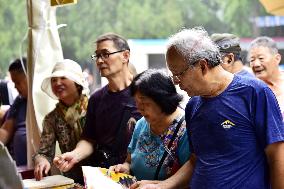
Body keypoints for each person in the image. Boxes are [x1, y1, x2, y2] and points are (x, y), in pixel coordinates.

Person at [141, 27, 284, 189]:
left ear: (202, 66)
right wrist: (162, 186)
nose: (175, 81)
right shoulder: (193, 106)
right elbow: (196, 160)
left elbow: (277, 153)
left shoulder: (254, 92)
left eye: (178, 74)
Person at [53, 33, 141, 173]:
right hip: (105, 175)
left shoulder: (144, 93)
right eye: (97, 56)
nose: (99, 61)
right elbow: (89, 139)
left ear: (125, 56)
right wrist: (74, 155)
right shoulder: (96, 99)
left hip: (139, 177)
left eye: (105, 54)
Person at [109, 69, 190, 182]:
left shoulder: (186, 129)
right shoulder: (142, 123)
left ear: (163, 99)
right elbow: (129, 161)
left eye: (145, 103)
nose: (139, 108)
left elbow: (191, 177)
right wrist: (124, 168)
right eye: (137, 102)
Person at [33, 59, 89, 184]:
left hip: (100, 176)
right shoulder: (51, 118)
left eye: (63, 77)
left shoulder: (94, 107)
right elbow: (44, 152)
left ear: (77, 82)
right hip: (72, 182)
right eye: (53, 80)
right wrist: (41, 160)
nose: (57, 83)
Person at [0, 57, 28, 166]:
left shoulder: (44, 102)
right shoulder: (19, 101)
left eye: (18, 82)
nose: (15, 86)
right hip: (19, 169)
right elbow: (6, 131)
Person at [248, 36, 284, 117]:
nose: (256, 64)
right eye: (252, 60)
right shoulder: (250, 91)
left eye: (261, 58)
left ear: (277, 59)